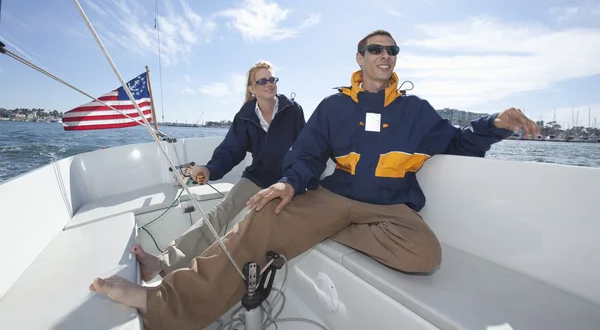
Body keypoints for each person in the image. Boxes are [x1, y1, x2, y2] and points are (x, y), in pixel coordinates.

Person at [90, 30, 539, 330]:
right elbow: (306, 155)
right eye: (376, 50)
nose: (385, 56)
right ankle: (163, 301)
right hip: (335, 195)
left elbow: (457, 142)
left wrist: (495, 124)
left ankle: (328, 229)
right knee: (259, 215)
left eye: (392, 50)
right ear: (360, 58)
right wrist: (288, 183)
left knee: (426, 255)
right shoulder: (333, 107)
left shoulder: (415, 111)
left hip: (387, 204)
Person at [130, 60, 306, 282]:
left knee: (271, 221)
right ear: (251, 89)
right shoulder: (245, 116)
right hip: (258, 177)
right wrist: (209, 169)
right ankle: (161, 263)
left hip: (287, 180)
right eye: (262, 80)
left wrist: (296, 181)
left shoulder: (293, 110)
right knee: (219, 213)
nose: (269, 84)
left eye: (272, 79)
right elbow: (231, 151)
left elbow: (306, 149)